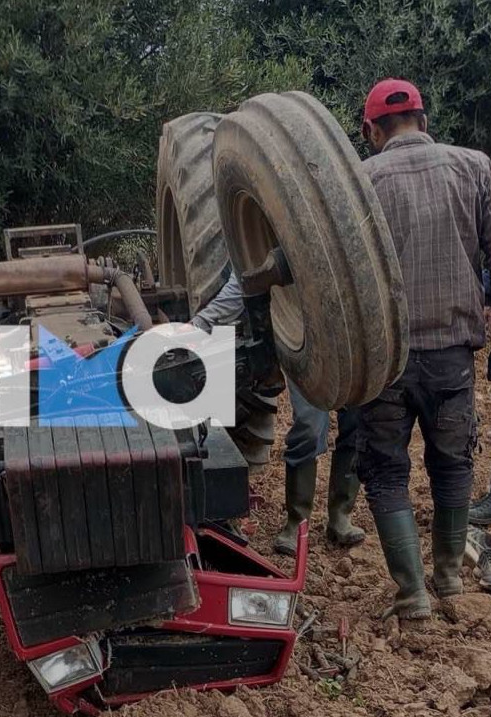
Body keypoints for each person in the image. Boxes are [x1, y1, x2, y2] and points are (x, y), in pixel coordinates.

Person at [357, 78, 491, 619]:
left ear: (372, 130)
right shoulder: (476, 168)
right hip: (453, 358)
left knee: (386, 471)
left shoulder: (362, 182)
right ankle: (450, 578)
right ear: (425, 120)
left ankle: (412, 593)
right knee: (453, 465)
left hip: (385, 362)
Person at [190, 273, 366, 556]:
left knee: (356, 424)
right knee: (308, 427)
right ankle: (297, 521)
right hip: (305, 341)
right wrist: (197, 326)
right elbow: (244, 280)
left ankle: (340, 516)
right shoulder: (276, 246)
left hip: (350, 337)